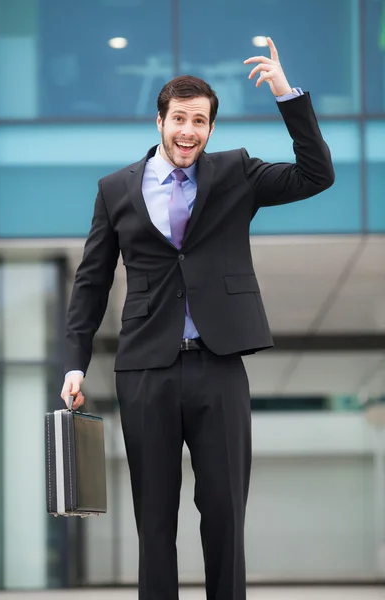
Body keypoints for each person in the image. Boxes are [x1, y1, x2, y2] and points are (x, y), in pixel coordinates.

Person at [61, 37, 334, 600]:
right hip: (144, 371)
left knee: (225, 513)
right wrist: (75, 363)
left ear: (211, 128)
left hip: (220, 364)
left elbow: (317, 174)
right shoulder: (115, 190)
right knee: (154, 520)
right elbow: (91, 280)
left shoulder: (236, 173)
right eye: (180, 119)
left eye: (200, 122)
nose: (189, 131)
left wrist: (286, 93)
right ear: (160, 120)